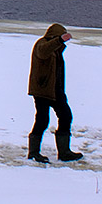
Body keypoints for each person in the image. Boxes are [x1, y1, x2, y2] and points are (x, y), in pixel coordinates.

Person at [27, 23, 83, 163]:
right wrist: (59, 40)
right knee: (42, 121)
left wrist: (60, 43)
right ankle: (33, 153)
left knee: (66, 117)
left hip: (56, 90)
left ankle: (64, 152)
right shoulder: (42, 44)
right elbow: (43, 52)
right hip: (42, 90)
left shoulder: (56, 49)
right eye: (60, 36)